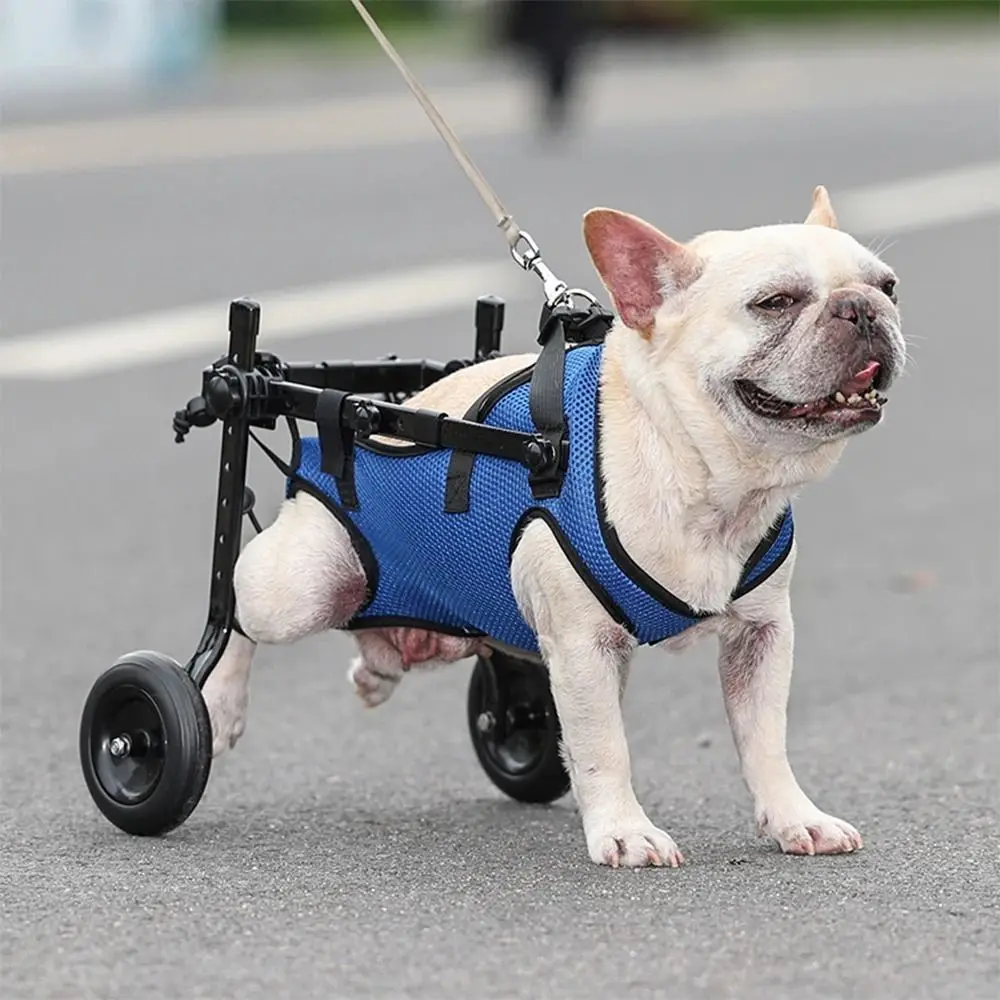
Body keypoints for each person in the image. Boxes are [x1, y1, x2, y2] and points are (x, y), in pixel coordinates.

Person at [504, 0, 591, 133]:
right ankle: (555, 98)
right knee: (553, 61)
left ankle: (557, 98)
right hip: (550, 27)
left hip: (558, 27)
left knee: (558, 61)